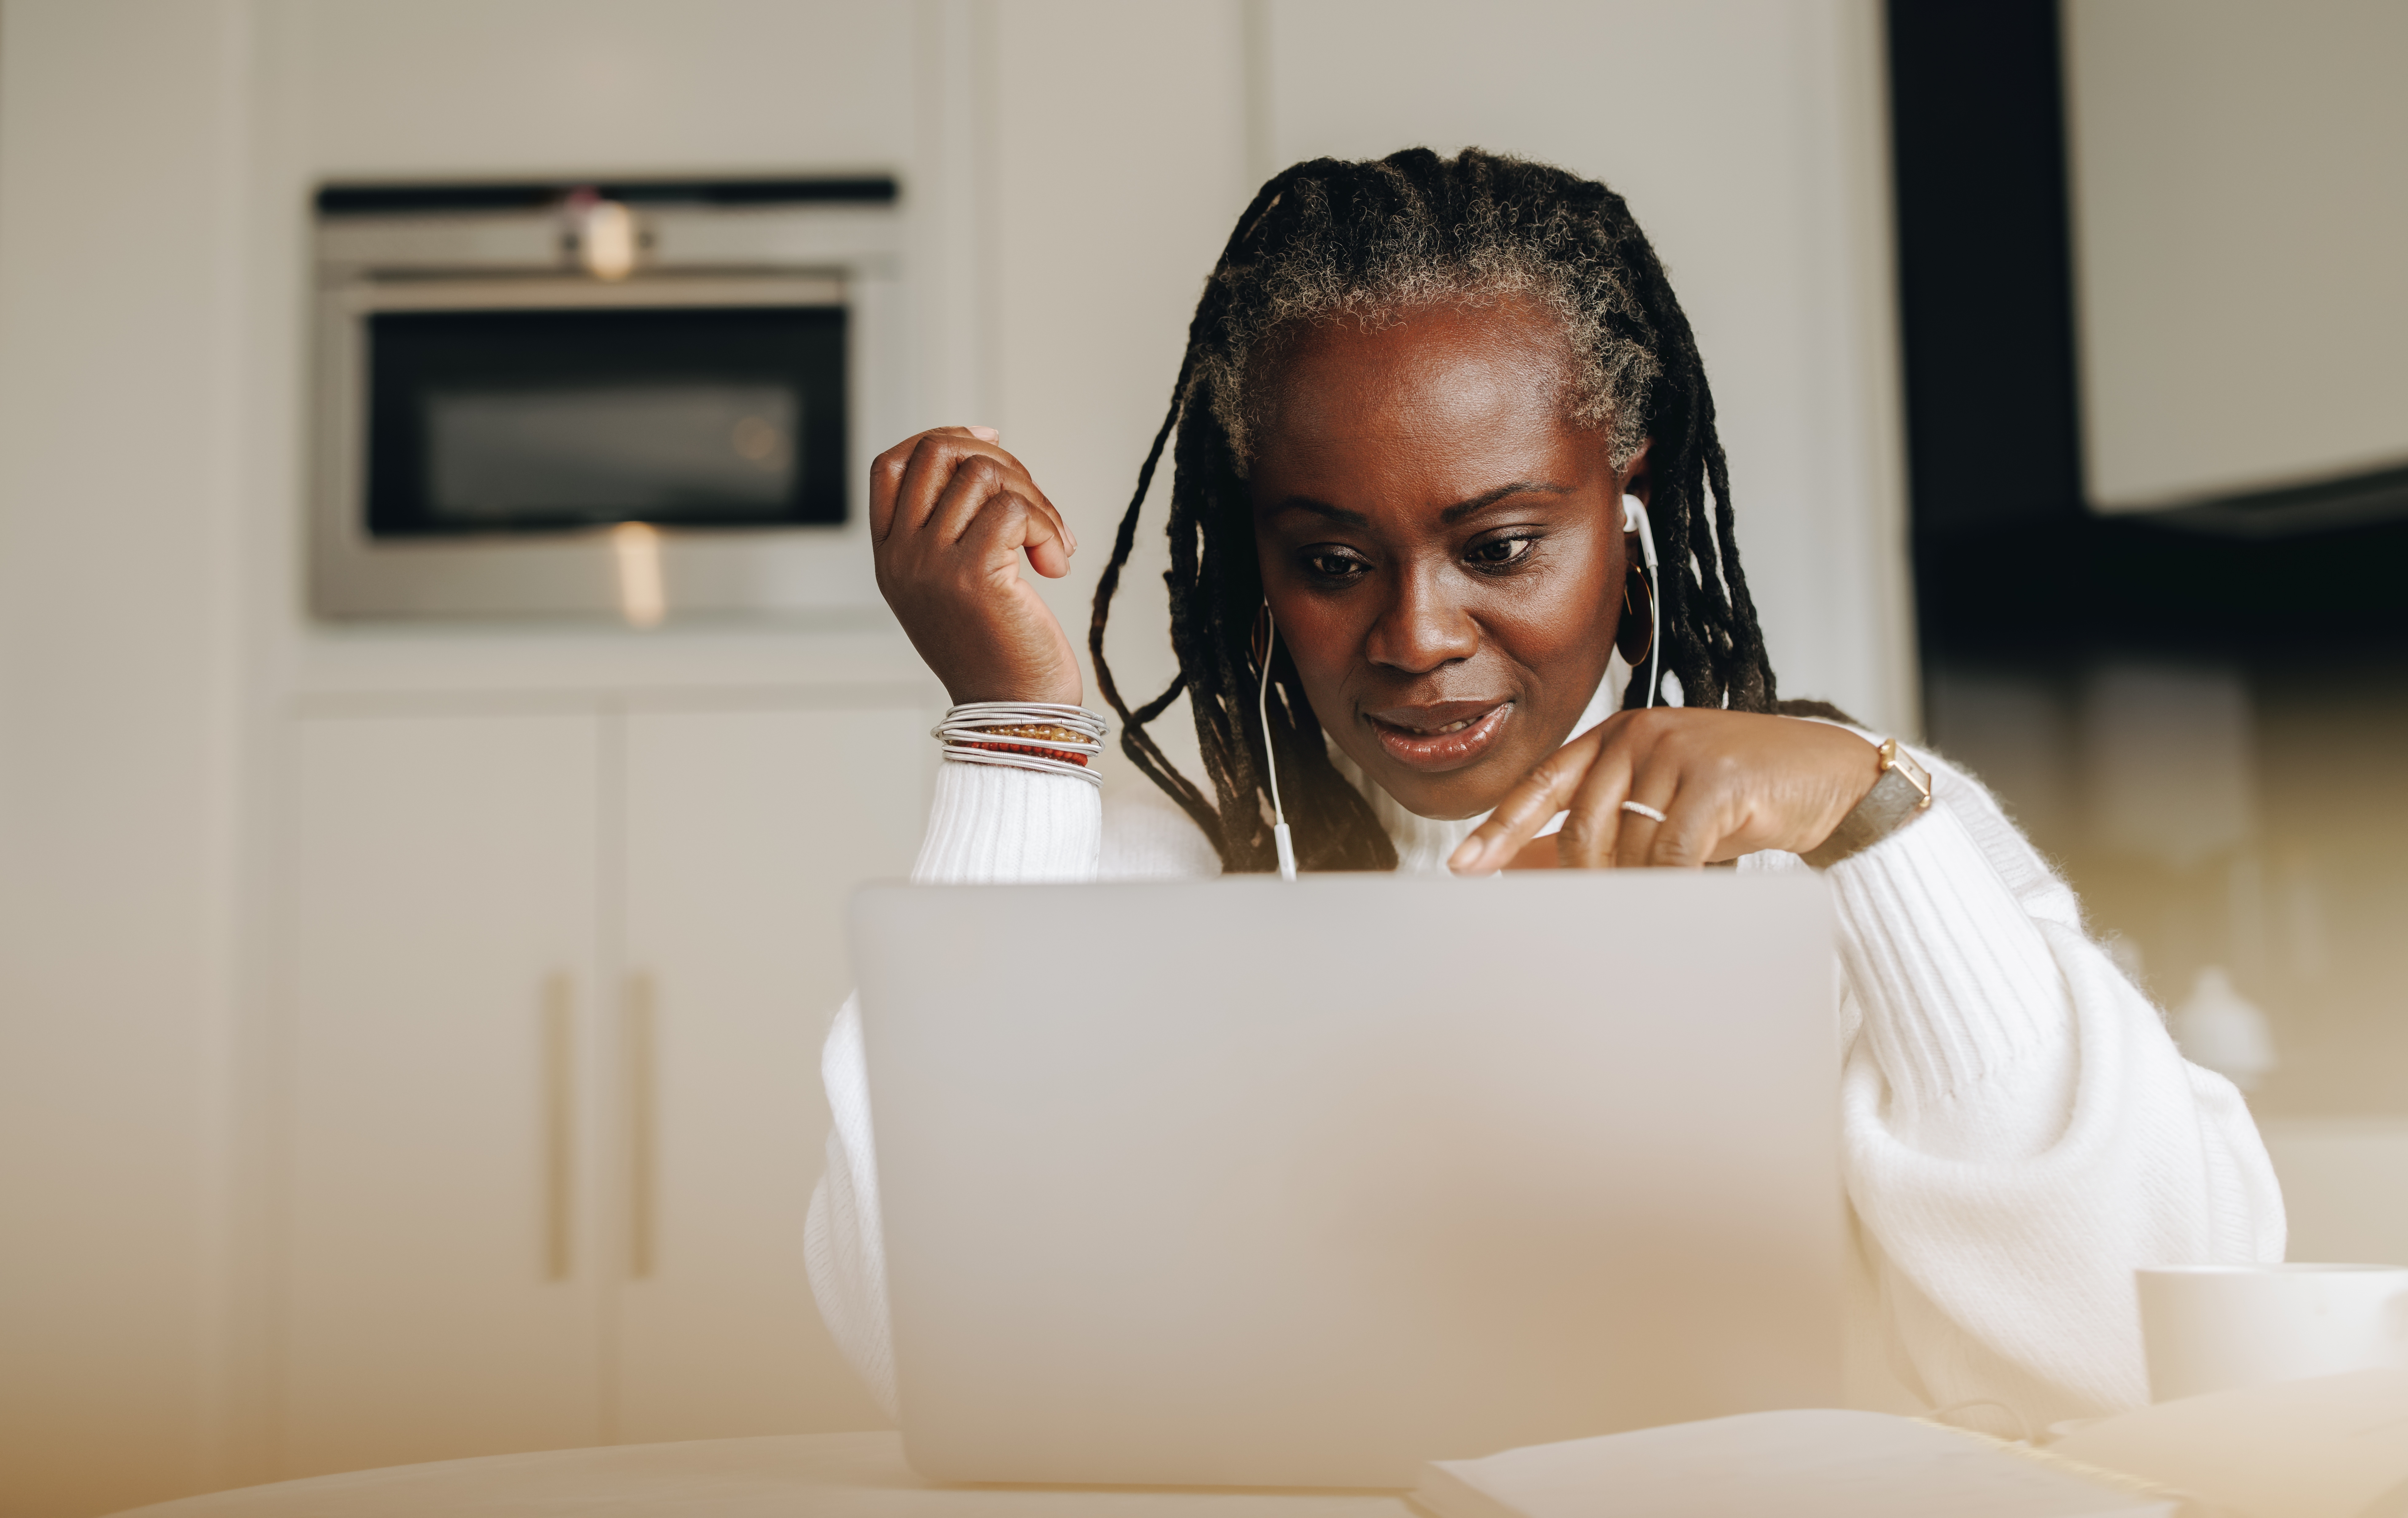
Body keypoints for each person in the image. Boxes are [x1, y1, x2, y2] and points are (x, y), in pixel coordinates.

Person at [805, 147, 2282, 1435]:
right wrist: (1011, 733)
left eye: (1499, 547)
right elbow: (922, 1349)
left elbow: (2136, 1353)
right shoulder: (1131, 877)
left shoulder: (1858, 843)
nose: (1417, 636)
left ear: (1626, 502)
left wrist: (1880, 831)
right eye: (1329, 562)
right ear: (1246, 557)